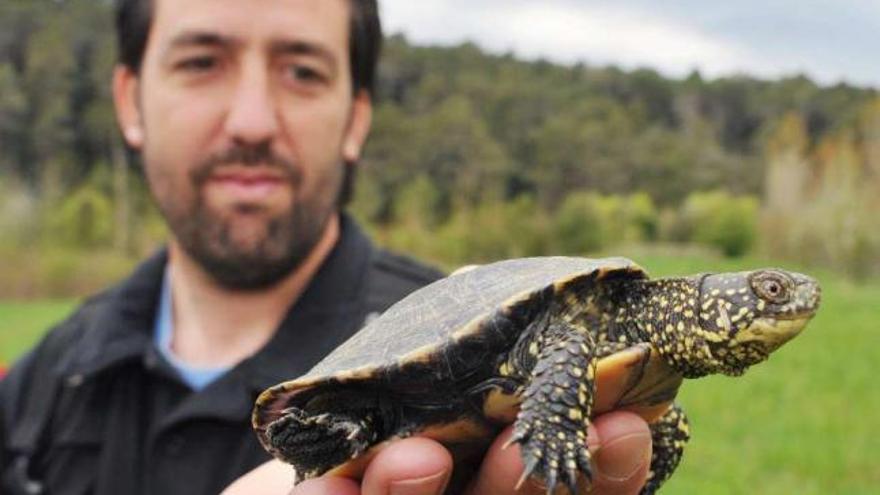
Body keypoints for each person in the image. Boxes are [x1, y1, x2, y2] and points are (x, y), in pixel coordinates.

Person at [0, 1, 651, 494]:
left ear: (356, 117)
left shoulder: (488, 337)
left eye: (302, 71)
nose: (251, 120)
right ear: (129, 100)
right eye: (201, 63)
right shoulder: (37, 386)